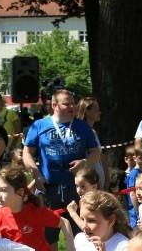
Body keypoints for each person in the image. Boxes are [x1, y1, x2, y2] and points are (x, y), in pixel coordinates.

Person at [23, 87, 101, 217]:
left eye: (72, 103)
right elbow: (27, 153)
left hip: (77, 188)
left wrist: (85, 163)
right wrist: (36, 174)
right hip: (48, 188)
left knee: (81, 231)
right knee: (46, 234)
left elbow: (96, 152)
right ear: (54, 105)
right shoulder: (39, 125)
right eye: (66, 103)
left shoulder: (82, 126)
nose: (72, 106)